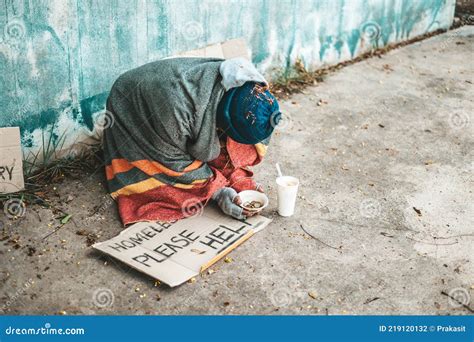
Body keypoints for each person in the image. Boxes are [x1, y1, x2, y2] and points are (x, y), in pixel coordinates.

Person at [103, 57, 280, 225]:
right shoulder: (176, 113)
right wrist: (218, 191)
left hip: (171, 100)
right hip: (130, 105)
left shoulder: (250, 83)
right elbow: (173, 161)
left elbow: (258, 119)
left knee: (237, 149)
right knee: (168, 183)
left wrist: (235, 176)